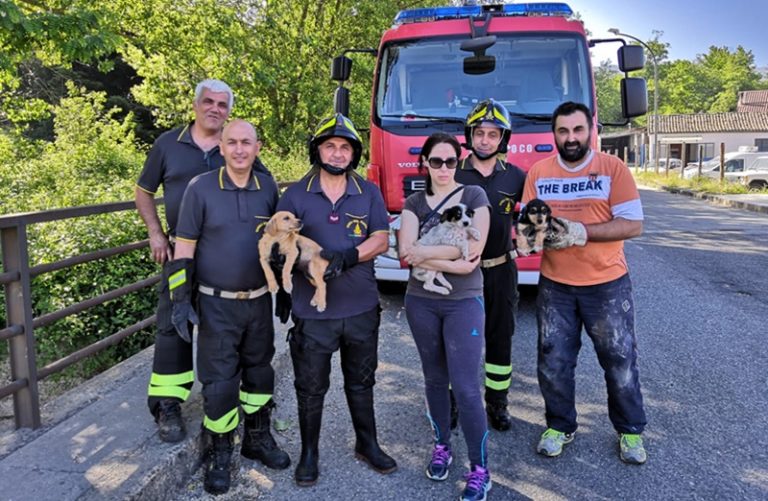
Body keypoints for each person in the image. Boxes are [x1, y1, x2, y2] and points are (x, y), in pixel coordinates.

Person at [521, 101, 648, 465]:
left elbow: (633, 225)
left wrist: (581, 232)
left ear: (591, 129)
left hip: (607, 284)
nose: (571, 138)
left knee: (619, 359)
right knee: (553, 360)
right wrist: (529, 236)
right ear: (554, 134)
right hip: (555, 285)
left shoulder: (613, 168)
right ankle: (560, 426)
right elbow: (530, 231)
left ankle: (630, 431)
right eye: (563, 131)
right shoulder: (540, 173)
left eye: (578, 130)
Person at [276, 113, 397, 486]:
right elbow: (280, 242)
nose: (338, 153)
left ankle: (367, 443)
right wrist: (290, 272)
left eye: (345, 147)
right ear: (317, 150)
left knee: (361, 382)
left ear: (354, 154)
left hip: (361, 307)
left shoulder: (368, 191)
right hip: (313, 313)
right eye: (330, 145)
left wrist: (349, 256)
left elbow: (381, 238)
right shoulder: (296, 193)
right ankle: (309, 453)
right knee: (311, 387)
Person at [172, 119, 289, 495]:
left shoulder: (268, 187)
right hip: (216, 304)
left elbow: (279, 241)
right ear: (220, 147)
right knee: (220, 384)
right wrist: (179, 297)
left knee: (259, 375)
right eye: (232, 143)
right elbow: (185, 247)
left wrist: (284, 288)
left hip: (258, 302)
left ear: (258, 147)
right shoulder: (200, 188)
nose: (240, 150)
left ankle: (257, 437)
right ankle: (219, 451)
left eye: (247, 143)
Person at [135, 79, 233, 443]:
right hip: (179, 256)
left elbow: (265, 189)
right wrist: (155, 233)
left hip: (224, 258)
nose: (215, 109)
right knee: (172, 327)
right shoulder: (167, 145)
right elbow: (143, 191)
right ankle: (167, 405)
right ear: (195, 105)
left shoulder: (234, 145)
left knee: (220, 327)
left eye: (222, 105)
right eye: (208, 102)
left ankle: (218, 396)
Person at [399, 132, 492, 501]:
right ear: (425, 162)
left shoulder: (474, 197)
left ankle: (480, 469)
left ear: (459, 162)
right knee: (435, 380)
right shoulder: (413, 201)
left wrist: (425, 256)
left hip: (464, 302)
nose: (442, 168)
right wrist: (446, 258)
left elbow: (474, 255)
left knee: (467, 387)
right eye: (435, 161)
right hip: (421, 301)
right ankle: (442, 446)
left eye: (450, 161)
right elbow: (407, 254)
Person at [455, 98, 526, 431]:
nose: (485, 140)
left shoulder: (517, 177)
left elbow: (530, 220)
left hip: (500, 270)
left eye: (493, 134)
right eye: (479, 133)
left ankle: (497, 403)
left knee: (500, 338)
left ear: (503, 139)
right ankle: (455, 400)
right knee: (457, 339)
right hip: (458, 272)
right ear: (470, 135)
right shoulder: (451, 173)